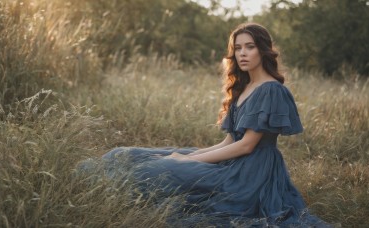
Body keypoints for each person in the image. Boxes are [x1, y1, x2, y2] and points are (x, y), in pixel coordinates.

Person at [78, 22, 332, 227]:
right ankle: (87, 186)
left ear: (263, 50)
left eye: (250, 47)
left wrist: (188, 161)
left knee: (158, 171)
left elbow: (246, 146)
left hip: (251, 173)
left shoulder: (271, 90)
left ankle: (101, 196)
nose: (242, 53)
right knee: (131, 154)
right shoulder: (244, 86)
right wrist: (191, 154)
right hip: (234, 159)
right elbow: (229, 141)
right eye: (238, 48)